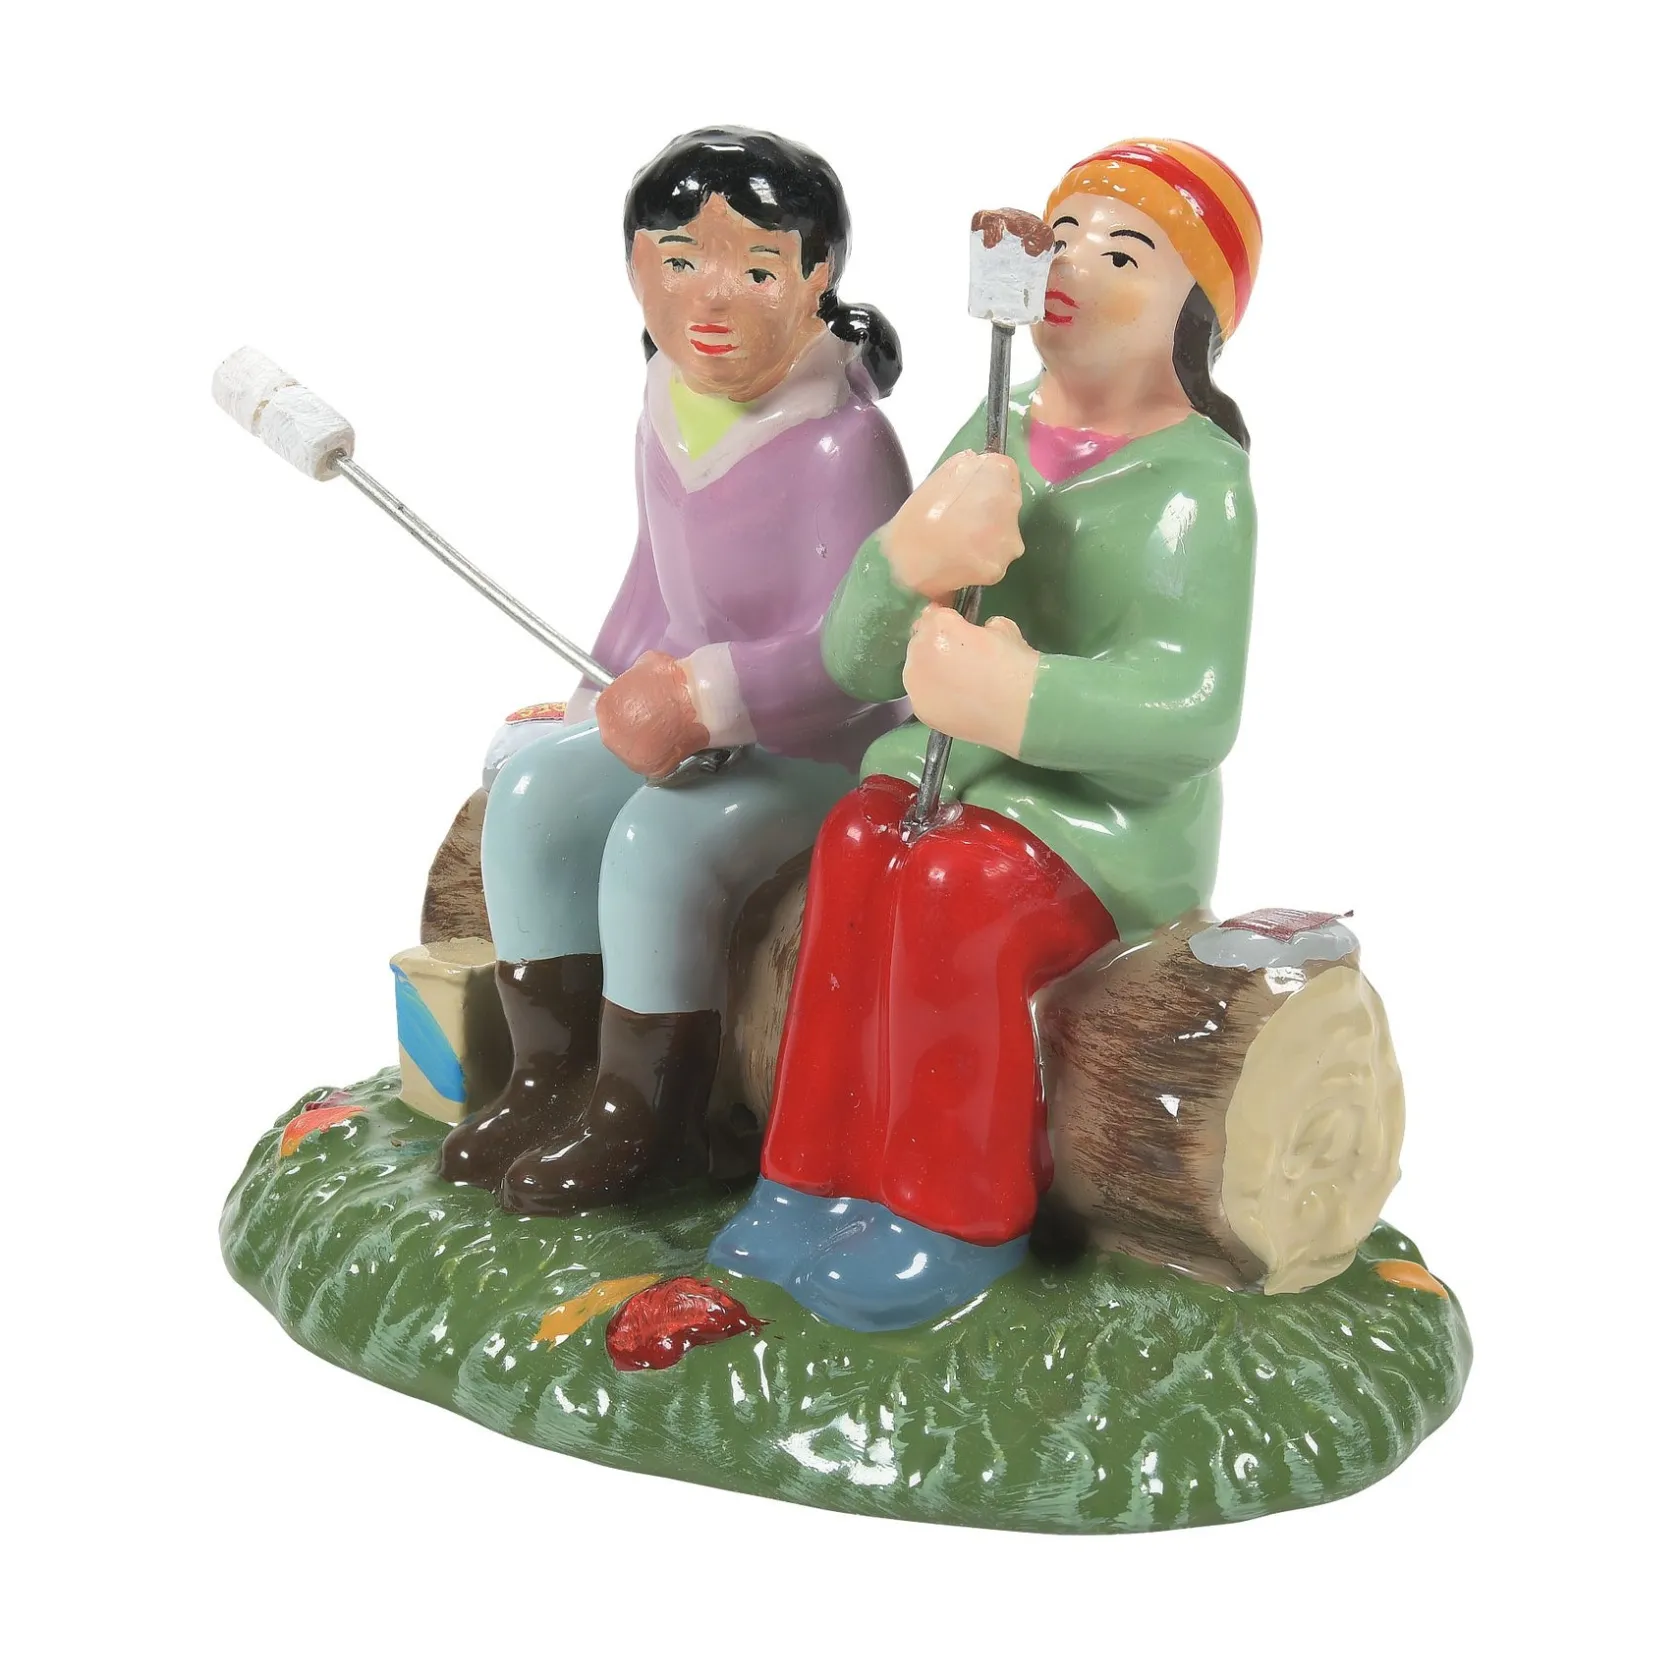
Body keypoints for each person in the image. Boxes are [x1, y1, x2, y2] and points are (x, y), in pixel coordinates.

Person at [711, 139, 1263, 1330]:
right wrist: (903, 563)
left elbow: (1192, 710)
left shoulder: (1197, 483)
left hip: (1108, 823)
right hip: (950, 773)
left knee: (956, 887)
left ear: (1194, 317)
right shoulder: (999, 419)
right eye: (1063, 238)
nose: (1073, 266)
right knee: (859, 840)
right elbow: (858, 661)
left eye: (1125, 253)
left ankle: (952, 1214)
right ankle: (807, 1177)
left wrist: (1016, 697)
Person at [439, 127, 911, 1215]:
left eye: (758, 270)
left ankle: (645, 1112)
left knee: (661, 842)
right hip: (682, 727)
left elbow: (859, 653)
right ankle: (547, 1074)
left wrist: (705, 701)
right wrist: (593, 702)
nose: (712, 300)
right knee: (536, 795)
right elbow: (654, 582)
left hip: (812, 747)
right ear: (632, 269)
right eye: (679, 261)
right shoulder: (667, 402)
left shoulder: (841, 445)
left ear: (817, 281)